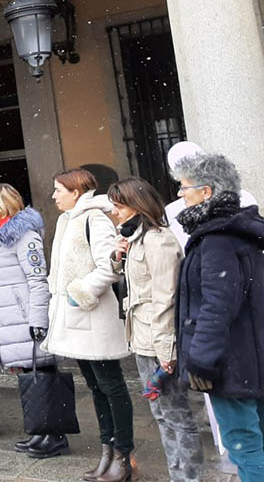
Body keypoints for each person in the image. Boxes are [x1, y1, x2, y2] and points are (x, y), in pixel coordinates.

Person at [172, 152, 264, 482]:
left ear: (207, 191)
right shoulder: (240, 233)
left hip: (231, 363)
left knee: (245, 445)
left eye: (185, 187)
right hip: (251, 355)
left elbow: (216, 306)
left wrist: (202, 361)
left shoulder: (217, 240)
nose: (181, 194)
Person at [107, 176, 202, 482]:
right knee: (161, 414)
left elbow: (165, 298)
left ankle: (188, 477)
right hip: (142, 338)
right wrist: (117, 256)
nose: (115, 213)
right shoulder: (136, 238)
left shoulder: (158, 240)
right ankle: (179, 475)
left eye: (119, 206)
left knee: (177, 415)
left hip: (159, 340)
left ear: (137, 205)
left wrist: (166, 351)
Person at [43, 168, 132, 482]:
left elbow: (111, 267)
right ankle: (107, 452)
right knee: (96, 388)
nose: (53, 196)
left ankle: (123, 454)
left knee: (112, 387)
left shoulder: (94, 218)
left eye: (58, 190)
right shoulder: (67, 220)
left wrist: (77, 295)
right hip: (75, 319)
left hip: (92, 316)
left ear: (76, 192)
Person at [0, 184, 63, 458]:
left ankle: (54, 434)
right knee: (30, 377)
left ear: (1, 205)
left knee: (43, 376)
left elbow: (37, 278)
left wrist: (37, 320)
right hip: (12, 319)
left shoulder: (23, 235)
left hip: (26, 318)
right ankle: (40, 431)